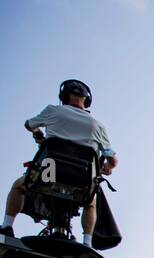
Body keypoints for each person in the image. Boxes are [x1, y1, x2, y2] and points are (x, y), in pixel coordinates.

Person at [3, 80, 116, 245]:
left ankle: (6, 226)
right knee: (90, 203)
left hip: (49, 176)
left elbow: (28, 124)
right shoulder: (98, 126)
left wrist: (38, 134)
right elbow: (112, 158)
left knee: (18, 186)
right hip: (81, 182)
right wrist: (109, 167)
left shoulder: (53, 111)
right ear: (87, 100)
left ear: (63, 97)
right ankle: (87, 242)